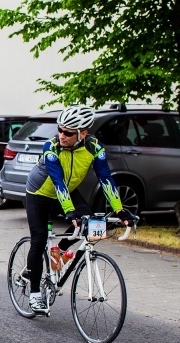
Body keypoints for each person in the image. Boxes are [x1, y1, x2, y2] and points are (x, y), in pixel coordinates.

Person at [24, 104, 133, 314]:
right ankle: (35, 294)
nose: (62, 136)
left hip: (68, 190)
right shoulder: (51, 147)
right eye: (60, 130)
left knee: (89, 225)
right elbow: (57, 181)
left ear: (83, 133)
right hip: (40, 193)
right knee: (38, 241)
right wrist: (69, 211)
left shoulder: (94, 148)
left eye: (68, 133)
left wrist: (120, 211)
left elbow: (106, 180)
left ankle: (60, 252)